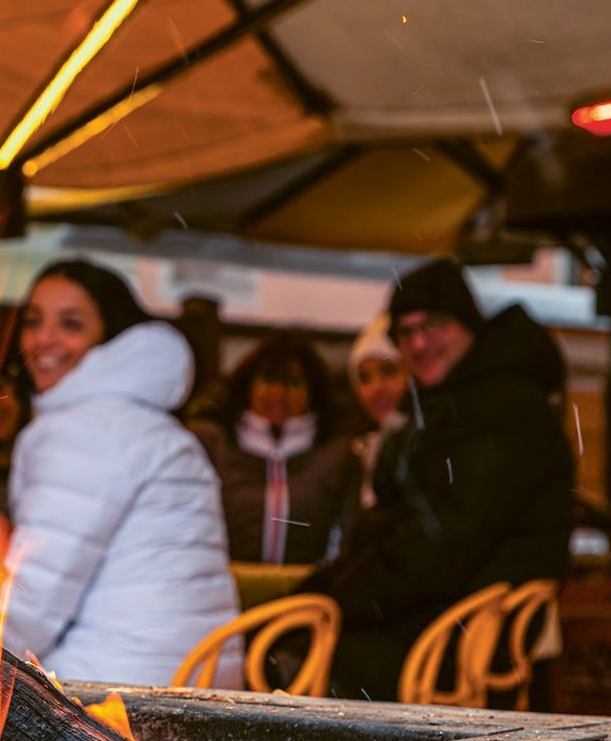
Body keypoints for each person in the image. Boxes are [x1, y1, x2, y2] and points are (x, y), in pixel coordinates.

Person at [302, 257, 574, 701]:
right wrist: (329, 587)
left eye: (434, 325)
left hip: (463, 635)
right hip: (444, 617)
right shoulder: (454, 402)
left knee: (293, 651)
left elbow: (442, 540)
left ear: (468, 324)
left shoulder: (499, 407)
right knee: (297, 634)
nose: (419, 343)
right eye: (405, 332)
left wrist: (339, 598)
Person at [0, 259, 241, 686]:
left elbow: (37, 592)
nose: (43, 339)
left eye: (70, 324)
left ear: (111, 339)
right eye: (33, 321)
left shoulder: (88, 428)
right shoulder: (145, 422)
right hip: (203, 678)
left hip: (123, 688)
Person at [190, 334, 358, 565]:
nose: (278, 394)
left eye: (293, 383)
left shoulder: (338, 454)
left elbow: (346, 535)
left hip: (307, 582)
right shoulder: (211, 443)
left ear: (313, 391)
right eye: (268, 380)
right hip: (223, 580)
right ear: (248, 385)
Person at [346, 314, 408, 511]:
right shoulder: (356, 452)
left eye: (388, 371)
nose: (376, 389)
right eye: (364, 378)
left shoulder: (433, 445)